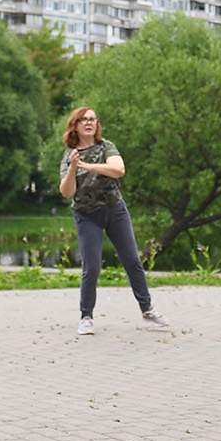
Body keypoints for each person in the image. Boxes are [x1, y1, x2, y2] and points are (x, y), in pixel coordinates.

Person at [57, 107, 169, 336]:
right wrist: (73, 169)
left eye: (92, 119)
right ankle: (86, 316)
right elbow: (67, 192)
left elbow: (119, 169)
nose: (89, 123)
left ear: (97, 124)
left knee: (132, 260)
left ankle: (147, 309)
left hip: (114, 210)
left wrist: (88, 166)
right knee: (92, 267)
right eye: (84, 120)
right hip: (87, 215)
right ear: (75, 125)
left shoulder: (106, 146)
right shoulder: (70, 155)